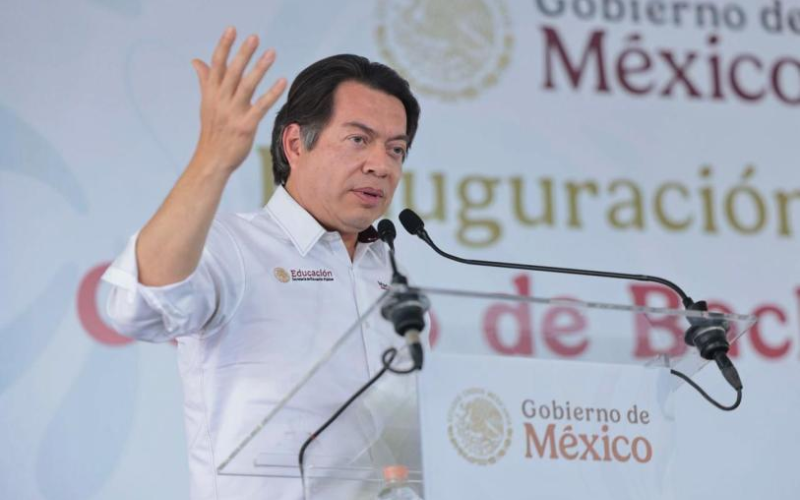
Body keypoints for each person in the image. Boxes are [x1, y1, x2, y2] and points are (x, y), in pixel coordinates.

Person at [102, 26, 421, 499]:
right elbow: (136, 307)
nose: (382, 165)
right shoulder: (232, 245)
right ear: (296, 145)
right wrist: (213, 158)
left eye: (396, 149)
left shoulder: (388, 273)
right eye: (359, 139)